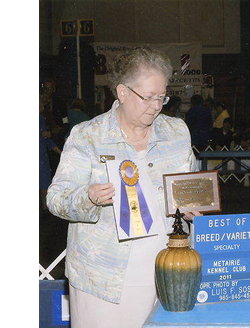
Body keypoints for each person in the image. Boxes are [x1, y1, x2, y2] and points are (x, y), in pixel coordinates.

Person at [47, 48, 199, 328]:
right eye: (149, 97)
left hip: (170, 269)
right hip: (103, 275)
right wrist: (89, 197)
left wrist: (194, 207)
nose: (157, 105)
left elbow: (190, 185)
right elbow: (56, 198)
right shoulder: (88, 135)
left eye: (162, 97)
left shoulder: (177, 132)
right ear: (123, 92)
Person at [40, 95, 62, 211]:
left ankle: (45, 209)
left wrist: (60, 152)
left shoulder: (42, 119)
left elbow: (48, 140)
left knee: (45, 184)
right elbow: (46, 137)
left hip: (42, 156)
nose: (42, 106)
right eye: (41, 103)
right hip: (41, 157)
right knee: (44, 184)